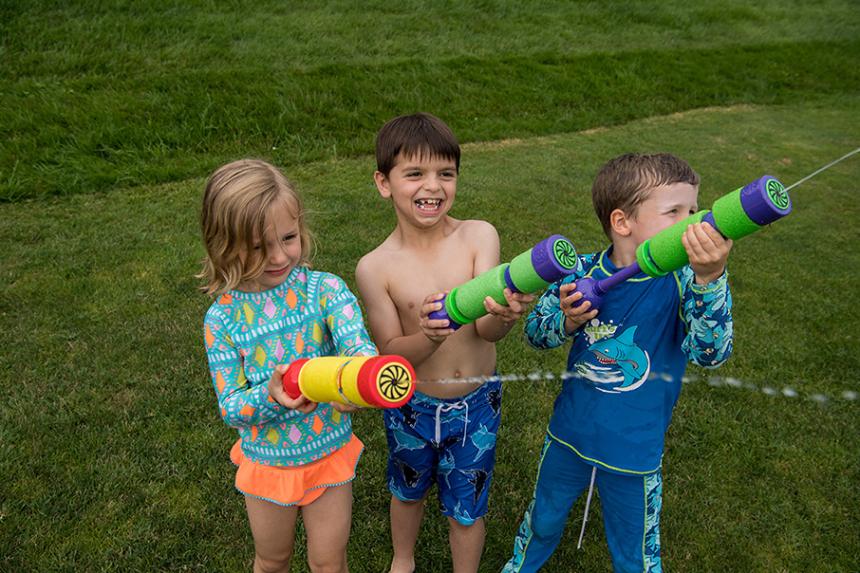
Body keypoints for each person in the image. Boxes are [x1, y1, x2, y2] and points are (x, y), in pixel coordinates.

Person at [503, 153, 734, 573]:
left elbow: (711, 353)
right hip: (568, 436)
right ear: (622, 222)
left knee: (635, 555)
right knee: (542, 522)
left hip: (635, 453)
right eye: (675, 212)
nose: (694, 223)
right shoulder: (582, 272)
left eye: (694, 210)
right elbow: (536, 333)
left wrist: (710, 277)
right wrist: (569, 319)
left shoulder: (685, 281)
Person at [355, 113, 533, 573]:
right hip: (410, 402)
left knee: (468, 505)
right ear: (384, 183)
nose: (431, 186)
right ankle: (403, 560)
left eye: (445, 174)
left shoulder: (479, 236)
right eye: (414, 173)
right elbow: (391, 354)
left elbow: (486, 331)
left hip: (477, 403)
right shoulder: (376, 268)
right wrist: (427, 338)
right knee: (406, 489)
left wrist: (505, 318)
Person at [200, 159, 376, 573]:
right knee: (273, 559)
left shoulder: (325, 291)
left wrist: (358, 381)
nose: (280, 256)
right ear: (223, 244)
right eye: (259, 247)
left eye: (289, 237)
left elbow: (358, 346)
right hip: (267, 463)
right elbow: (230, 407)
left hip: (327, 454)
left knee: (330, 562)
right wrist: (271, 396)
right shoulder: (222, 319)